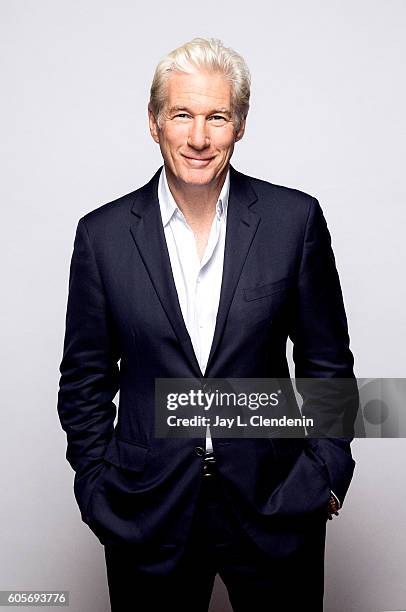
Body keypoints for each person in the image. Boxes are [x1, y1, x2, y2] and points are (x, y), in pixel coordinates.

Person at [57, 37, 357, 611]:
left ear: (239, 125)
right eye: (182, 115)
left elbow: (328, 363)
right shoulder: (101, 237)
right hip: (148, 512)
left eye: (217, 117)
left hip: (275, 505)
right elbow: (84, 383)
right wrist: (96, 487)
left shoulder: (293, 221)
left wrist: (326, 471)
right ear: (154, 123)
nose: (199, 137)